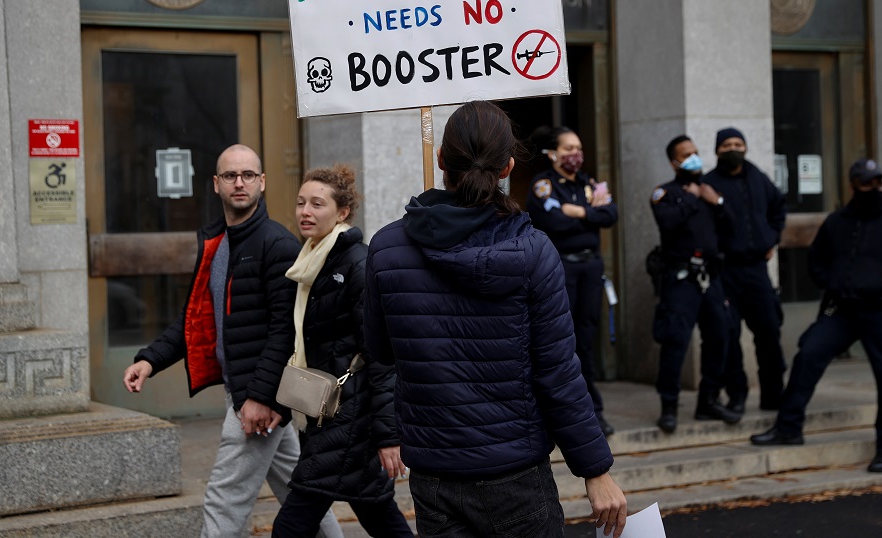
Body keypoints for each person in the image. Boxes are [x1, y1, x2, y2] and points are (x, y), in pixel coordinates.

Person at [364, 101, 628, 538]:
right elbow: (559, 372)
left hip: (435, 476)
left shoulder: (387, 247)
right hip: (515, 477)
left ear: (440, 160)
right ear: (507, 166)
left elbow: (381, 350)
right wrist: (595, 470)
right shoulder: (536, 250)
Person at [122, 144, 342, 538]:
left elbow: (286, 330)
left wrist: (261, 399)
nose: (239, 183)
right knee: (303, 496)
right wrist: (150, 360)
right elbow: (197, 320)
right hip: (254, 395)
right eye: (230, 176)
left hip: (254, 400)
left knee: (223, 504)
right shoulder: (218, 244)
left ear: (262, 182)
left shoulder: (277, 245)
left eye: (248, 175)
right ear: (216, 185)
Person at [751, 159, 882, 473]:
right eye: (867, 183)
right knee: (808, 355)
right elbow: (816, 259)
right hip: (842, 311)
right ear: (853, 186)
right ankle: (788, 428)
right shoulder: (836, 221)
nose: (874, 188)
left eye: (878, 182)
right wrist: (829, 281)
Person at [271, 165, 412, 537]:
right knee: (378, 512)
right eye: (301, 202)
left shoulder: (357, 263)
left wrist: (388, 435)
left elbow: (381, 354)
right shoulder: (311, 262)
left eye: (318, 204)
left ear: (343, 212)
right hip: (330, 410)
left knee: (293, 520)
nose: (305, 211)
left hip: (352, 417)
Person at [525, 125, 619, 435]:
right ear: (552, 153)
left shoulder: (588, 183)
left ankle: (593, 411)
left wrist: (579, 212)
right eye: (568, 149)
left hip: (590, 267)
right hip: (561, 269)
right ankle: (561, 411)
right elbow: (554, 222)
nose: (575, 154)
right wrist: (588, 215)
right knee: (561, 340)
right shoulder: (543, 185)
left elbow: (611, 215)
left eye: (578, 147)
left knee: (586, 339)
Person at [650, 135, 741, 433]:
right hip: (681, 279)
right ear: (674, 162)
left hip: (711, 278)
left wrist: (716, 201)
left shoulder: (709, 192)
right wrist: (691, 197)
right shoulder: (665, 193)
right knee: (676, 341)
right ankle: (669, 405)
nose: (694, 158)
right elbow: (667, 223)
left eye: (696, 152)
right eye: (687, 154)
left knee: (720, 336)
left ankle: (709, 400)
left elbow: (731, 226)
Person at [703, 127, 787, 413]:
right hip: (726, 271)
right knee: (729, 334)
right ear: (717, 150)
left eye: (738, 143)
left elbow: (779, 209)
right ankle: (736, 395)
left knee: (769, 330)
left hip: (757, 270)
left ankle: (774, 395)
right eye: (726, 144)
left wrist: (772, 237)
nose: (733, 148)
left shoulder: (759, 178)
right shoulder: (709, 185)